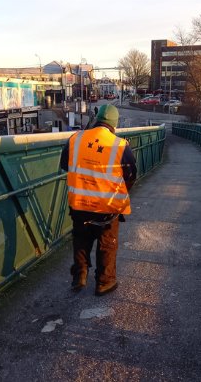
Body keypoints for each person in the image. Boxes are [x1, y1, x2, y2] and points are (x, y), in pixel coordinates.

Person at [59, 104, 136, 295]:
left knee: (81, 238)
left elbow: (64, 165)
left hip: (79, 203)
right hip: (107, 207)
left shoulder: (75, 138)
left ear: (97, 119)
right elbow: (131, 175)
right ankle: (104, 282)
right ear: (114, 125)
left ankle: (80, 275)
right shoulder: (120, 145)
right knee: (107, 243)